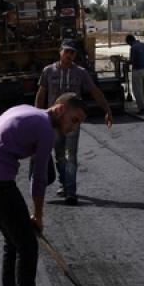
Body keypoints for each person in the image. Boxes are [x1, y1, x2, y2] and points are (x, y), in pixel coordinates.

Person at [0, 93, 86, 286]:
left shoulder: (27, 111)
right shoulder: (45, 129)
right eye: (74, 120)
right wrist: (38, 215)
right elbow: (38, 177)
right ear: (60, 109)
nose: (73, 128)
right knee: (27, 245)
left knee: (13, 243)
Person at [35, 40, 113, 205]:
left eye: (72, 53)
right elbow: (41, 94)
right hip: (54, 121)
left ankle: (71, 191)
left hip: (73, 121)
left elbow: (95, 92)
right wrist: (37, 115)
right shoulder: (48, 71)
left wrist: (107, 110)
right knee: (59, 155)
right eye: (67, 52)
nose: (69, 55)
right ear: (60, 51)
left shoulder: (81, 73)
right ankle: (64, 184)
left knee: (71, 155)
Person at [125, 34, 144, 114]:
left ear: (129, 41)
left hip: (137, 70)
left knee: (138, 90)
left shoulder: (133, 48)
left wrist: (126, 62)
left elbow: (132, 61)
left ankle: (142, 108)